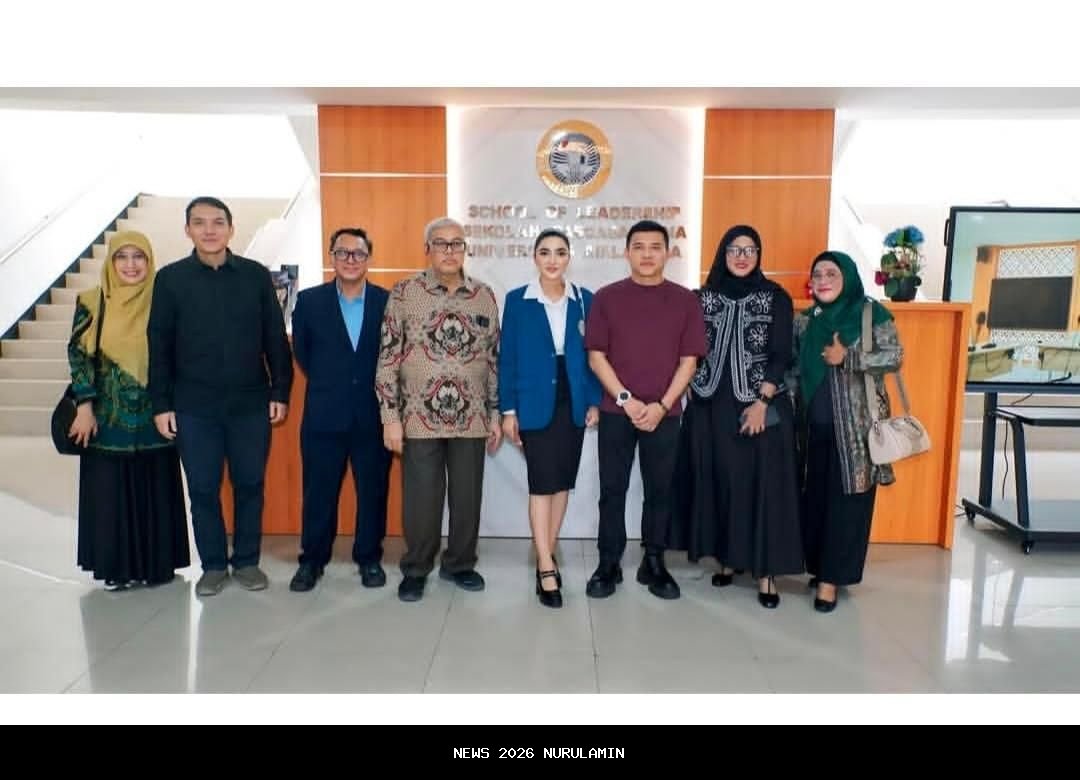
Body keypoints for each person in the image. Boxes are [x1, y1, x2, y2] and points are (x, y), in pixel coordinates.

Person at [148, 196, 293, 597]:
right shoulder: (170, 279)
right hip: (194, 407)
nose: (209, 230)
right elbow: (158, 345)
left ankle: (246, 561)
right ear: (188, 230)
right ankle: (213, 565)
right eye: (199, 223)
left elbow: (274, 337)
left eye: (217, 222)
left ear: (231, 229)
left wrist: (280, 389)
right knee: (202, 488)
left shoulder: (254, 276)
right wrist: (161, 403)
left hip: (250, 403)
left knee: (250, 484)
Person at [669, 225, 803, 609]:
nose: (742, 257)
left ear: (759, 255)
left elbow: (781, 354)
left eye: (749, 250)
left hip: (759, 405)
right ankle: (728, 558)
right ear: (722, 254)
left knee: (761, 487)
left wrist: (762, 401)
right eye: (734, 249)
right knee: (721, 483)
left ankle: (766, 573)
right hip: (710, 405)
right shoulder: (702, 297)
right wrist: (689, 384)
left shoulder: (774, 297)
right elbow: (688, 348)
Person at [376, 217, 502, 603]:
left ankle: (460, 564)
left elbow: (494, 360)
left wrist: (495, 414)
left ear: (465, 249)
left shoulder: (483, 295)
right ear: (427, 249)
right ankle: (416, 569)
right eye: (441, 243)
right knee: (422, 501)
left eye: (457, 243)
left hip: (472, 418)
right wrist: (390, 419)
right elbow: (387, 359)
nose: (450, 251)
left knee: (467, 498)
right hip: (418, 418)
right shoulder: (404, 293)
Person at [584, 219, 706, 600]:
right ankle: (608, 562)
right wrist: (627, 400)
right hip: (616, 411)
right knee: (612, 489)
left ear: (668, 253)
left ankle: (654, 562)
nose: (647, 254)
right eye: (639, 247)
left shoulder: (685, 300)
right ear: (626, 253)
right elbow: (596, 357)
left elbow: (689, 361)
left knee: (660, 491)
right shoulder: (606, 297)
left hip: (665, 413)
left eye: (656, 247)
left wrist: (662, 405)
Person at [66, 231, 189, 590]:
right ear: (111, 262)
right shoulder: (92, 302)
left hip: (156, 416)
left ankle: (157, 566)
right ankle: (116, 569)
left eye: (139, 257)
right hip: (108, 419)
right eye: (122, 256)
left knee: (155, 487)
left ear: (150, 262)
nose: (131, 265)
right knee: (110, 494)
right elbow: (79, 356)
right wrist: (84, 406)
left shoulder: (165, 300)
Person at [792, 250, 903, 613]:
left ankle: (831, 581)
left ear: (849, 278)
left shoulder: (871, 314)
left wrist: (849, 358)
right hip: (811, 429)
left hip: (855, 433)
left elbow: (894, 356)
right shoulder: (805, 321)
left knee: (847, 506)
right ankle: (819, 568)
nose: (823, 280)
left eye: (832, 274)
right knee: (815, 502)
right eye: (817, 274)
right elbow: (793, 368)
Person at [498, 228, 601, 608]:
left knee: (561, 483)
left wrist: (593, 400)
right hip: (534, 401)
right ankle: (545, 564)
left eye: (560, 252)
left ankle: (548, 548)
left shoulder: (585, 299)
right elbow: (507, 358)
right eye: (545, 252)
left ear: (569, 257)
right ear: (535, 257)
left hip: (572, 400)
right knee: (541, 483)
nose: (553, 259)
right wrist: (508, 410)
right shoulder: (518, 300)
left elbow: (595, 356)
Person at [288, 227, 391, 592]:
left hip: (373, 416)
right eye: (342, 252)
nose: (350, 259)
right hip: (324, 414)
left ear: (368, 259)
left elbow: (393, 355)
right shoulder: (310, 301)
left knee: (373, 492)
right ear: (331, 256)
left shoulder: (386, 301)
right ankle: (312, 561)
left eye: (358, 253)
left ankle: (369, 558)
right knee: (319, 492)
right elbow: (303, 352)